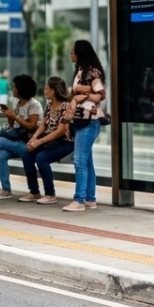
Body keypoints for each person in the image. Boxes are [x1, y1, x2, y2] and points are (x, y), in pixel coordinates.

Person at [63, 39, 107, 212]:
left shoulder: (92, 71)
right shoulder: (80, 71)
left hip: (90, 120)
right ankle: (90, 198)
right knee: (87, 161)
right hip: (80, 119)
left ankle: (79, 200)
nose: (71, 54)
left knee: (79, 160)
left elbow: (100, 95)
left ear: (80, 53)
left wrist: (83, 93)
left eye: (73, 51)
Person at [18, 76, 75, 204]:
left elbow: (60, 131)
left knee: (41, 158)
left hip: (65, 141)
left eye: (46, 88)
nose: (44, 91)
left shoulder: (66, 106)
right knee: (26, 154)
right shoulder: (49, 105)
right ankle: (34, 192)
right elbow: (43, 125)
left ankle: (50, 194)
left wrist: (39, 142)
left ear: (53, 91)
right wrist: (34, 138)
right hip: (50, 141)